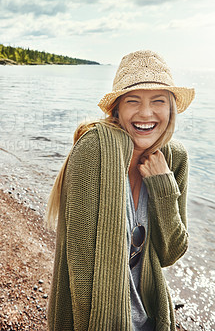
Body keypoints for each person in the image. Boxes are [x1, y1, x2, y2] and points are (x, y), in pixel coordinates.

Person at [45, 50, 195, 331]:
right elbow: (80, 265)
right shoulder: (95, 150)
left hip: (151, 317)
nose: (146, 113)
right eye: (133, 101)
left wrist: (163, 186)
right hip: (94, 319)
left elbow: (170, 253)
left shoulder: (175, 158)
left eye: (158, 101)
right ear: (117, 109)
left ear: (171, 108)